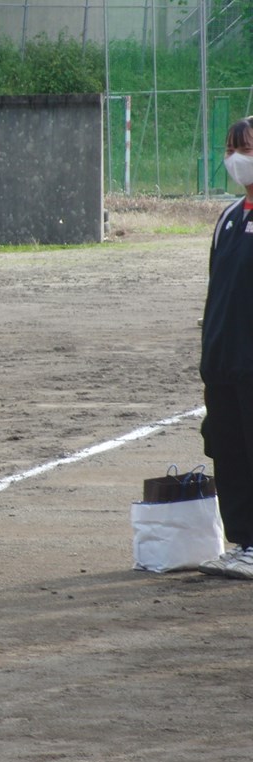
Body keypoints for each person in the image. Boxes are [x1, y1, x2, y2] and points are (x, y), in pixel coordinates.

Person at [198, 115, 253, 580]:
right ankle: (245, 543)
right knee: (230, 453)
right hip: (222, 363)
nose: (235, 159)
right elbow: (217, 290)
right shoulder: (230, 217)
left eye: (246, 149)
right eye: (230, 149)